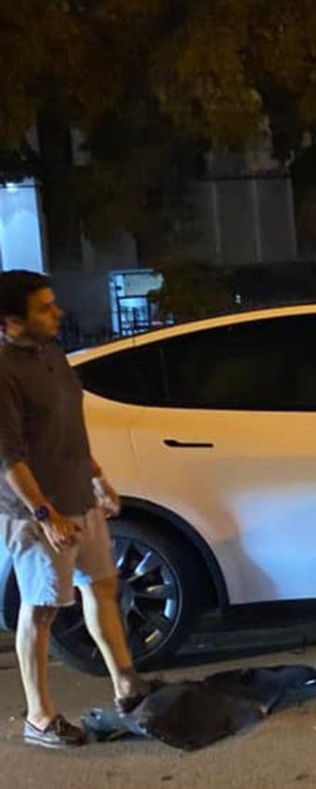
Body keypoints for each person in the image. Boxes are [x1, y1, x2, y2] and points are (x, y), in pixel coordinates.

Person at [0, 271, 156, 748]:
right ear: (10, 320)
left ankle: (127, 686)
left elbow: (70, 425)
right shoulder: (2, 369)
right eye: (45, 308)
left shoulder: (52, 354)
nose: (58, 313)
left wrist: (97, 478)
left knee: (103, 587)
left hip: (78, 498)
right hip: (37, 513)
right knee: (43, 609)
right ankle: (40, 717)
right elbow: (9, 455)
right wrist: (46, 515)